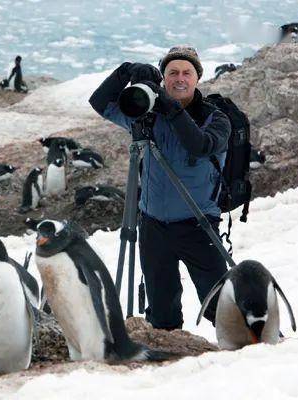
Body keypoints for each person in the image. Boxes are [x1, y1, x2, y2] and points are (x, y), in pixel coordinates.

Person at [89, 46, 231, 330]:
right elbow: (99, 102)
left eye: (186, 73)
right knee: (162, 314)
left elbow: (199, 145)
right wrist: (127, 71)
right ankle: (168, 368)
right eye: (172, 73)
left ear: (197, 78)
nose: (180, 79)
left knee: (221, 308)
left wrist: (172, 109)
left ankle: (251, 356)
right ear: (163, 79)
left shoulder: (216, 119)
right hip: (154, 226)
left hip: (199, 223)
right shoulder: (147, 116)